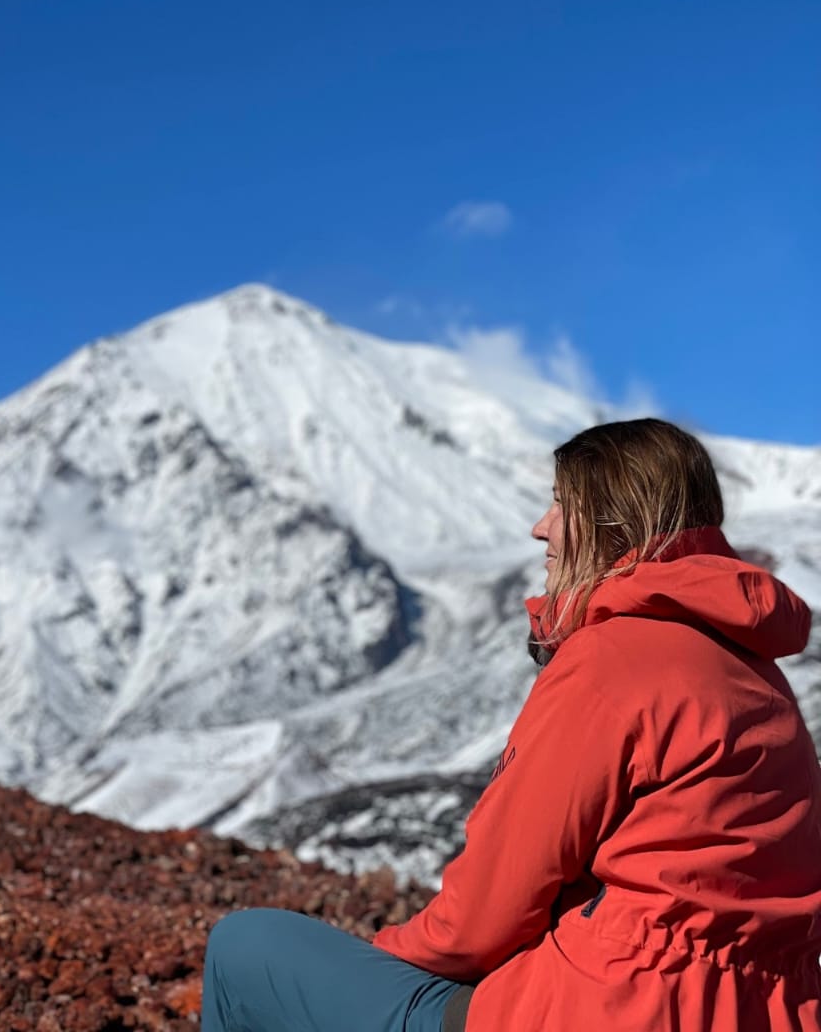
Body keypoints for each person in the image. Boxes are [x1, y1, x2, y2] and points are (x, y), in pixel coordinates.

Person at [201, 419, 821, 1032]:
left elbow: (482, 917)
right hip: (757, 1013)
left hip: (609, 1008)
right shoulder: (761, 676)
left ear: (613, 521)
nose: (540, 528)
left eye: (560, 505)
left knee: (246, 946)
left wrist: (375, 965)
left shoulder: (612, 660)